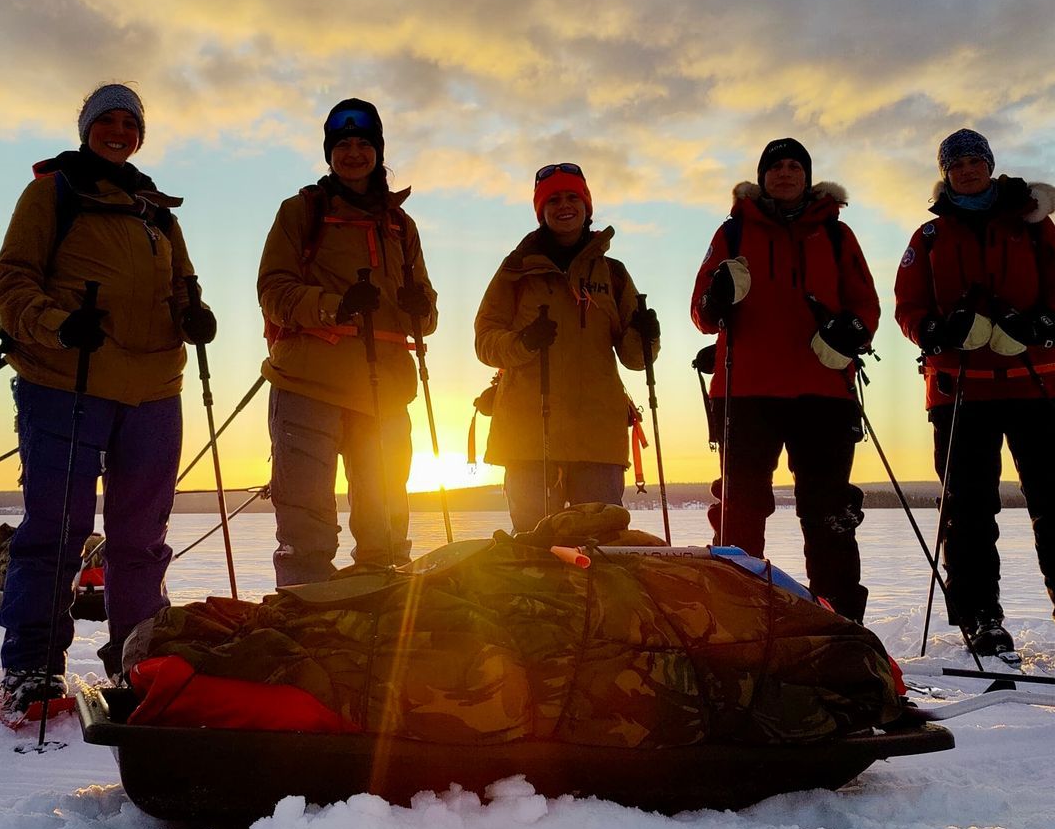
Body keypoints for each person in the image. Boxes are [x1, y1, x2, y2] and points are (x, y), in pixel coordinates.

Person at [0, 83, 206, 712]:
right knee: (58, 530)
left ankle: (137, 661)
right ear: (86, 128)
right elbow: (14, 278)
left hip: (155, 390)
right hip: (66, 379)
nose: (118, 131)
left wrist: (195, 314)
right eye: (106, 121)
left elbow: (183, 283)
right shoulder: (51, 192)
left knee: (140, 537)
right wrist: (56, 323)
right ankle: (31, 668)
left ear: (140, 134)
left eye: (128, 123)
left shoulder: (157, 209)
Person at [894, 127, 1055, 659]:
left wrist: (1041, 323)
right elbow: (908, 307)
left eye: (975, 159)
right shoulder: (928, 238)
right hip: (959, 389)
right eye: (957, 163)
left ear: (990, 165)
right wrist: (936, 333)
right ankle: (979, 619)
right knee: (966, 512)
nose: (967, 169)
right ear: (944, 173)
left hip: (1037, 385)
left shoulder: (1034, 224)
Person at [689, 138, 880, 621]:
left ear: (808, 177)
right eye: (777, 166)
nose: (786, 173)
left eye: (796, 165)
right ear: (764, 176)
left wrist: (851, 329)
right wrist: (717, 299)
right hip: (747, 392)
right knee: (740, 509)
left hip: (824, 392)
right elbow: (701, 313)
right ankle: (738, 614)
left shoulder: (837, 235)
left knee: (828, 513)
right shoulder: (732, 233)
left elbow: (867, 306)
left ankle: (838, 619)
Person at [257, 99, 437, 587]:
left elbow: (428, 312)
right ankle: (304, 624)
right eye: (343, 145)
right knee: (307, 523)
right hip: (308, 384)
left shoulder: (401, 225)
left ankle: (379, 629)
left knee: (386, 527)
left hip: (384, 390)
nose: (353, 153)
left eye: (363, 143)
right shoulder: (301, 213)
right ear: (329, 154)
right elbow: (273, 290)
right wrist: (334, 305)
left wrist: (420, 306)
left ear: (378, 150)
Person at [473, 163, 658, 529]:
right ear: (541, 210)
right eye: (553, 199)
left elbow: (637, 360)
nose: (564, 206)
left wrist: (645, 333)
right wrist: (523, 343)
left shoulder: (614, 274)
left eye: (572, 197)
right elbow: (485, 341)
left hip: (597, 438)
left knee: (599, 548)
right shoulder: (515, 271)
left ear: (587, 206)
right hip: (528, 437)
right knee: (533, 548)